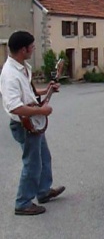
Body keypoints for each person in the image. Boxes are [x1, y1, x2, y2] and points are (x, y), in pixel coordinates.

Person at [0, 31, 65, 216]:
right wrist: (41, 111)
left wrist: (47, 90)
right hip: (23, 125)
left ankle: (43, 191)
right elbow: (14, 107)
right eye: (32, 46)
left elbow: (30, 93)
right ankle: (22, 202)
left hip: (32, 122)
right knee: (32, 163)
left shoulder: (22, 67)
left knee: (44, 157)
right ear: (23, 49)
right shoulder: (10, 74)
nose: (34, 48)